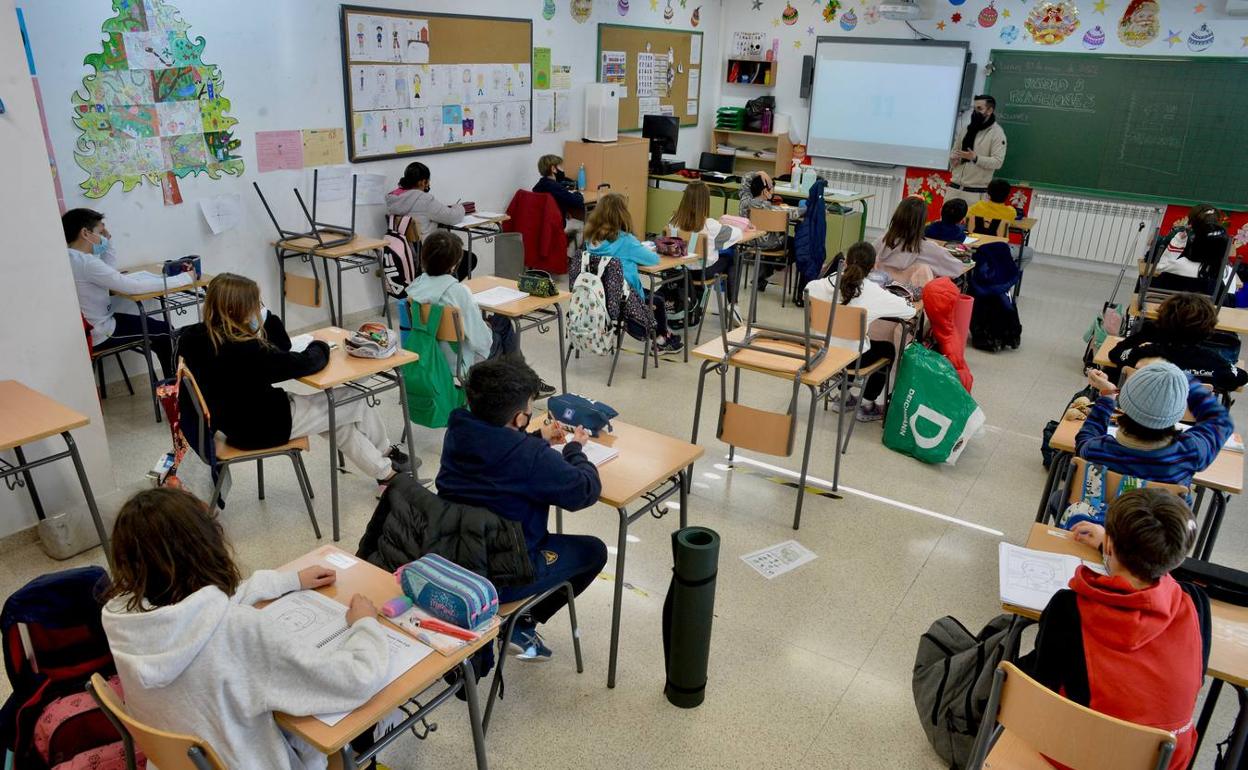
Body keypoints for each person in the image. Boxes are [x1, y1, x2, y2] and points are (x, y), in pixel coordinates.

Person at [101, 487, 390, 770]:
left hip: (178, 762)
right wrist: (365, 624)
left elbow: (200, 609)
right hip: (250, 760)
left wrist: (287, 580)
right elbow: (356, 679)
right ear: (207, 546)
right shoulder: (240, 631)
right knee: (373, 715)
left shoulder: (125, 622)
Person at [436, 357, 607, 661]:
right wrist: (575, 450)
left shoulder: (458, 431)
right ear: (517, 419)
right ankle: (520, 623)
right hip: (503, 573)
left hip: (453, 556)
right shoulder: (530, 458)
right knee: (594, 551)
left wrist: (535, 438)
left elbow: (495, 451)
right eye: (529, 413)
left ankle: (518, 622)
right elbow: (585, 491)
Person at [178, 273, 410, 494]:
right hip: (265, 425)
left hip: (234, 423)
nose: (256, 309)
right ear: (238, 309)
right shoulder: (245, 350)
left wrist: (265, 318)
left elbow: (281, 347)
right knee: (355, 399)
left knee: (337, 421)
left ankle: (386, 474)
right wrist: (320, 344)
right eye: (254, 304)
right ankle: (387, 452)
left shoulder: (192, 338)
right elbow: (304, 363)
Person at [1028, 489, 1209, 770]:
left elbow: (1043, 690)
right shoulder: (1196, 605)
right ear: (1179, 557)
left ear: (1109, 544)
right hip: (1160, 762)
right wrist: (1114, 545)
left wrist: (1114, 545)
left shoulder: (1069, 607)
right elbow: (1196, 681)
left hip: (1075, 755)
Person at [405, 231, 555, 395]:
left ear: (423, 258)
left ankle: (518, 383)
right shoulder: (459, 292)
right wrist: (486, 327)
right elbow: (483, 342)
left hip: (431, 354)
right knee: (503, 324)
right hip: (460, 360)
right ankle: (526, 384)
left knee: (497, 325)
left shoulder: (415, 289)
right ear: (454, 265)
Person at [63, 208, 194, 379]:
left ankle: (171, 383)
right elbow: (134, 288)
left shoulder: (71, 258)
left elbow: (108, 273)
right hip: (101, 331)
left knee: (157, 328)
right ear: (85, 233)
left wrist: (108, 243)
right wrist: (185, 279)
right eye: (100, 232)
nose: (103, 236)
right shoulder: (87, 263)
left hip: (92, 325)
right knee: (165, 333)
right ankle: (176, 388)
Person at [808, 241, 916, 422]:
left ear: (845, 262)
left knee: (847, 343)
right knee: (886, 349)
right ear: (874, 267)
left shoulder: (819, 285)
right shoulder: (873, 292)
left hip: (819, 353)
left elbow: (808, 289)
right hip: (849, 361)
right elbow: (910, 311)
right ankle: (866, 404)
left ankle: (844, 397)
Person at [1078, 361, 1233, 485]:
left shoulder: (1098, 449)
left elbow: (1084, 438)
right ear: (1178, 410)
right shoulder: (1189, 452)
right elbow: (1221, 421)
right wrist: (1183, 379)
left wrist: (1108, 395)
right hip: (1164, 524)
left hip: (1104, 522)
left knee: (1059, 497)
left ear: (1125, 401)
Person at [584, 193, 683, 352]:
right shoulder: (625, 240)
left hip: (599, 297)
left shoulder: (591, 240)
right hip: (623, 300)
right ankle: (662, 339)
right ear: (622, 214)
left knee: (653, 297)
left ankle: (662, 335)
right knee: (657, 299)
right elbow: (653, 260)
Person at [1109, 292, 1248, 391]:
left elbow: (1115, 353)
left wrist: (1139, 341)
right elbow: (1239, 377)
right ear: (1208, 329)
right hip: (1187, 426)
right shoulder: (1214, 362)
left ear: (1163, 320)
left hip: (1138, 415)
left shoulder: (1144, 353)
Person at [670, 180, 739, 305]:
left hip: (678, 271)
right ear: (705, 201)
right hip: (701, 273)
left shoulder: (673, 222)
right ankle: (733, 306)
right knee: (732, 256)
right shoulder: (710, 225)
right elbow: (737, 234)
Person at [874, 197, 966, 286]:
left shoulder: (882, 241)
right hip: (908, 297)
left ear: (896, 216)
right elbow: (957, 269)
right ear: (922, 222)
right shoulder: (929, 248)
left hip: (879, 291)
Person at [738, 170, 801, 291]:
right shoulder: (769, 208)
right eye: (771, 188)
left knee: (769, 245)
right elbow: (793, 213)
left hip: (750, 240)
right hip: (772, 243)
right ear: (765, 191)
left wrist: (759, 173)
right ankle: (777, 264)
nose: (773, 191)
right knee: (794, 243)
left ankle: (763, 276)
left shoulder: (745, 201)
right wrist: (807, 208)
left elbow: (745, 179)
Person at [1151, 204, 1231, 295]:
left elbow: (1160, 267)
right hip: (1200, 309)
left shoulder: (1178, 263)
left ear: (1195, 245)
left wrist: (1177, 241)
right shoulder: (1221, 274)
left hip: (1171, 306)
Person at [947, 94, 1008, 205]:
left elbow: (998, 162)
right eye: (974, 108)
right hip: (954, 189)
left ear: (989, 110)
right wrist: (953, 159)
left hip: (975, 193)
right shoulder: (966, 129)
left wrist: (975, 158)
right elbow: (955, 151)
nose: (975, 112)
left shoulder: (997, 133)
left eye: (979, 109)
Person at [384, 161, 465, 241]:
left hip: (405, 250)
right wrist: (459, 207)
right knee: (469, 254)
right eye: (428, 180)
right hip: (428, 249)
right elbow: (452, 217)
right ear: (422, 182)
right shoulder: (425, 200)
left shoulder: (393, 198)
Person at [533, 154, 585, 223]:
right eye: (560, 167)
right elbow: (577, 201)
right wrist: (578, 193)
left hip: (544, 223)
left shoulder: (539, 185)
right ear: (553, 169)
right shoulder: (554, 187)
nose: (562, 170)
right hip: (555, 225)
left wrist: (564, 210)